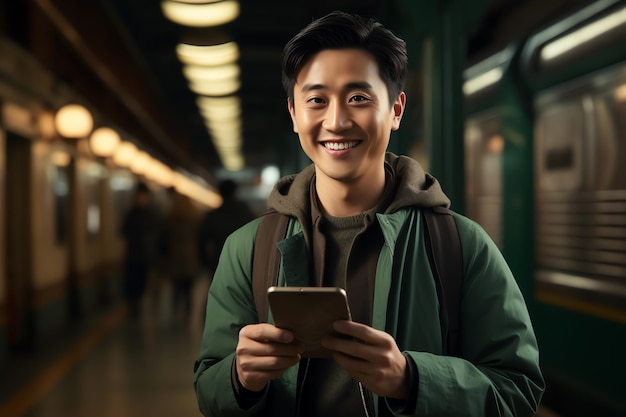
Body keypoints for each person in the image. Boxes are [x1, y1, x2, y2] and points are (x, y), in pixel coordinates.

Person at [194, 10, 545, 416]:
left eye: (358, 98)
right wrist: (240, 378)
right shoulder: (247, 249)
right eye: (316, 100)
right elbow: (208, 387)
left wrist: (410, 380)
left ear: (396, 110)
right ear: (294, 114)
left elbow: (518, 390)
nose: (337, 120)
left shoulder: (460, 245)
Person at [197, 179, 256, 277]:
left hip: (218, 262)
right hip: (242, 262)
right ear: (235, 192)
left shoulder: (213, 216)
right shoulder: (245, 213)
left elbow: (202, 241)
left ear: (220, 192)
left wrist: (207, 263)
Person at [161, 191, 202, 325]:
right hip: (191, 261)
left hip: (175, 262)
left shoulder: (169, 221)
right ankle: (187, 317)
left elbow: (162, 243)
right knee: (188, 292)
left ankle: (175, 316)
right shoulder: (195, 220)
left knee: (176, 290)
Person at [121, 182, 161, 317]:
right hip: (134, 256)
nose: (142, 198)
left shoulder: (153, 214)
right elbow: (124, 231)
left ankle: (145, 306)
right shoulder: (131, 214)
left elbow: (160, 235)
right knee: (134, 285)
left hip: (149, 257)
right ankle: (134, 308)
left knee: (146, 284)